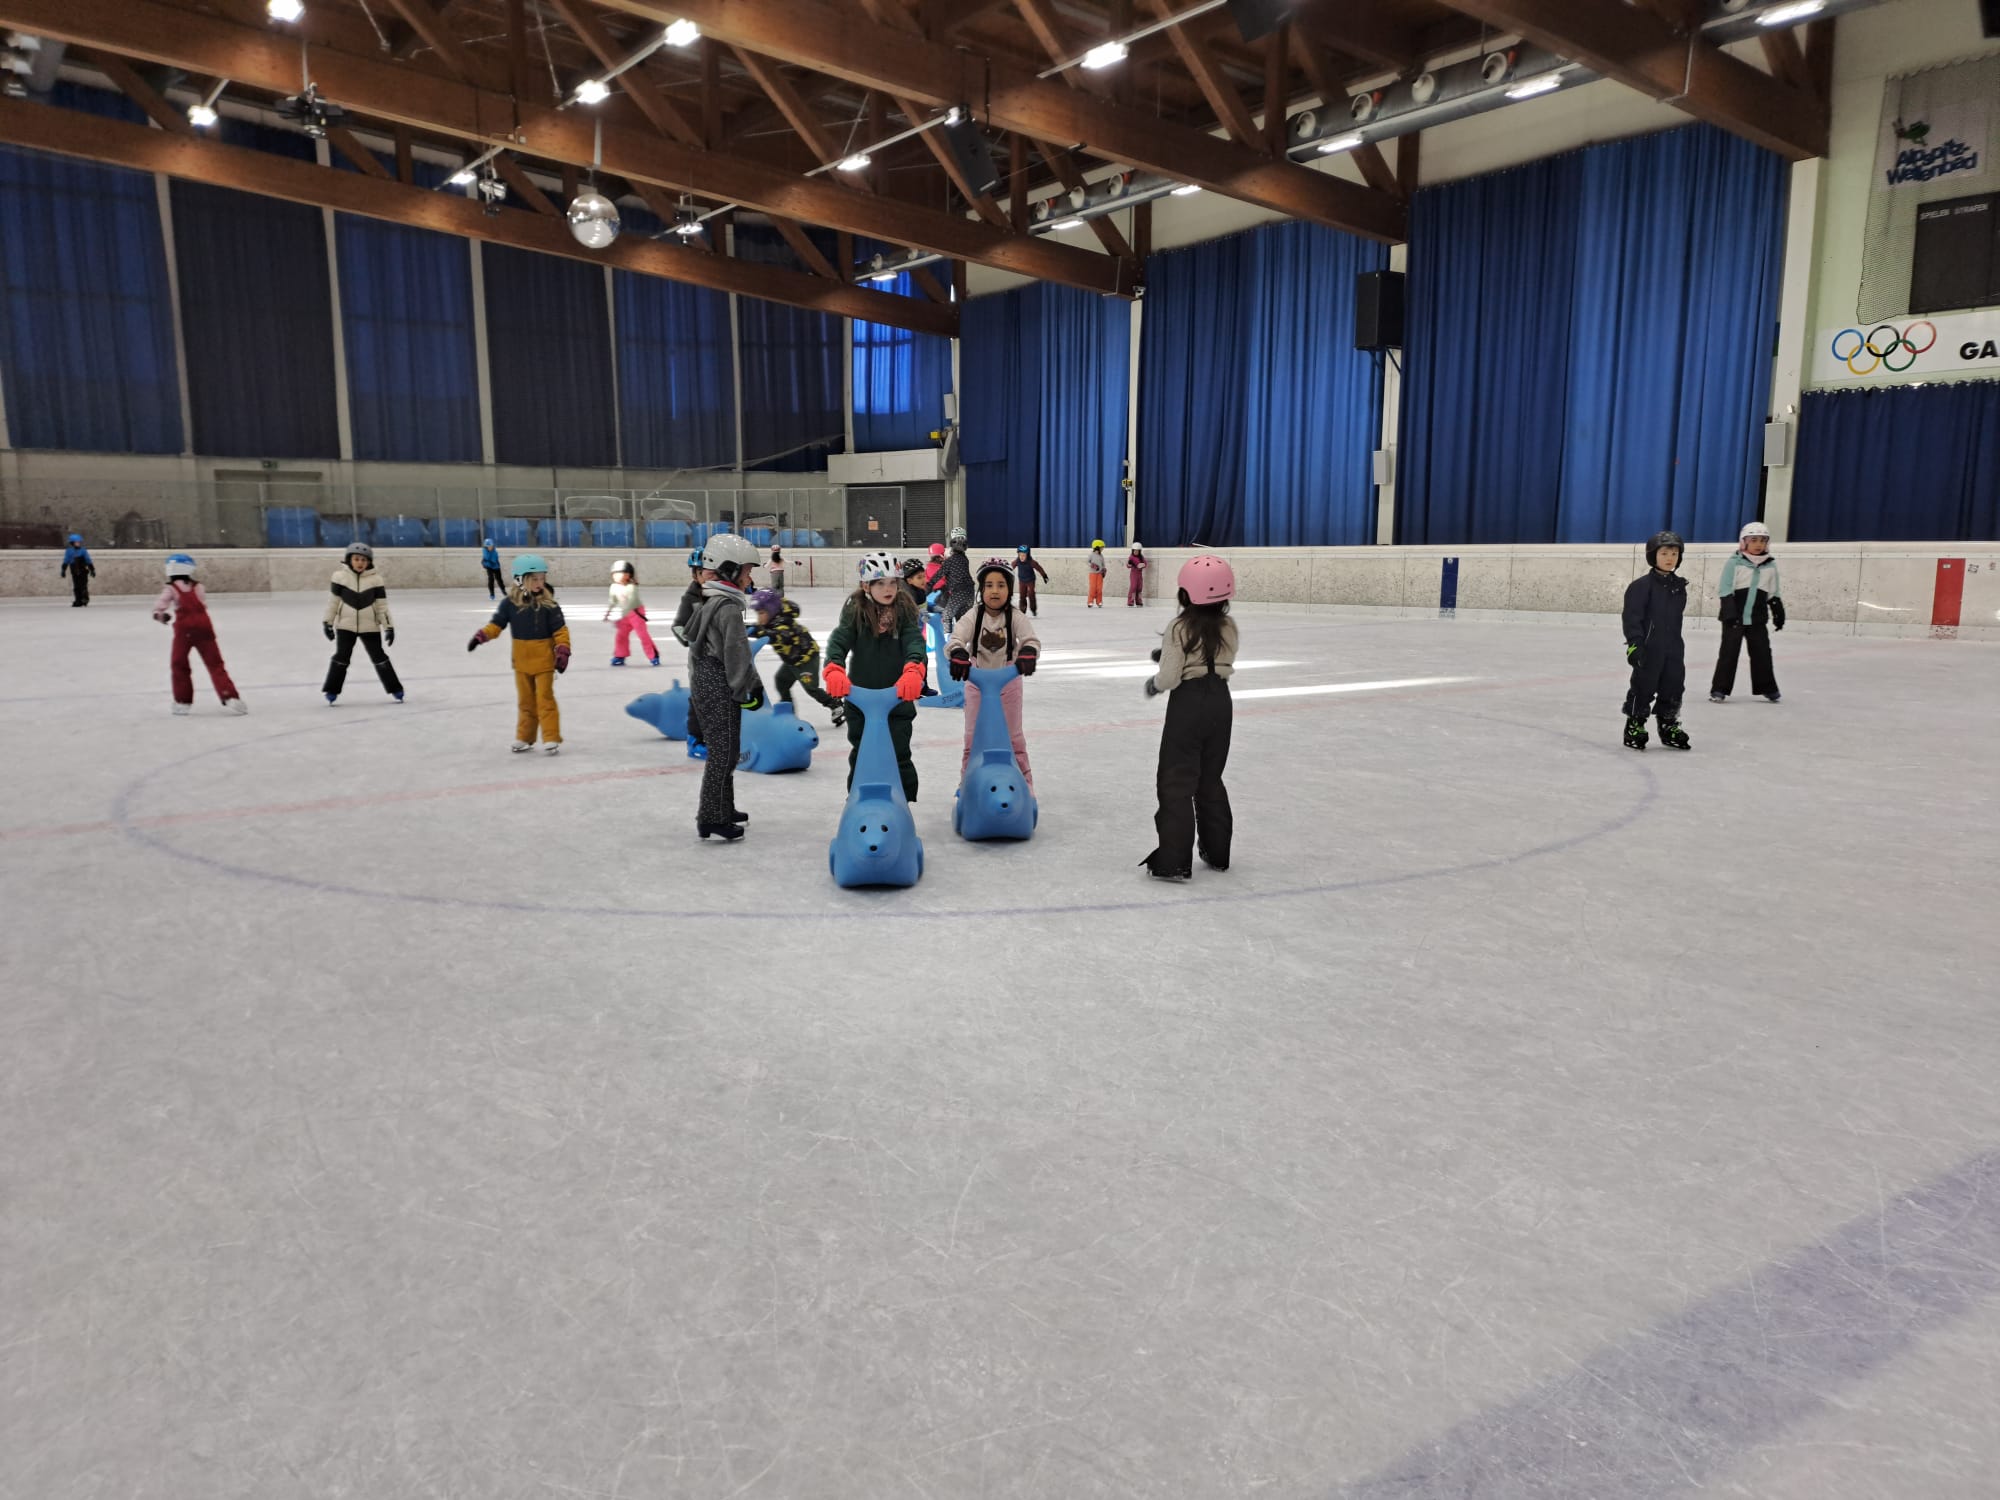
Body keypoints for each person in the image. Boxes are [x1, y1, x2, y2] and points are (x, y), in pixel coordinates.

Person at [1140, 555, 1237, 880]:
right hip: (1220, 702)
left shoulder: (1179, 627)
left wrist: (1155, 683)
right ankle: (1217, 852)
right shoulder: (1229, 626)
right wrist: (1168, 654)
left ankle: (1174, 860)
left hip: (1189, 704)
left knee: (1176, 781)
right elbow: (1211, 655)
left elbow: (1170, 677)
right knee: (1210, 779)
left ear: (1186, 593)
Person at [823, 551, 928, 804]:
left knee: (899, 752)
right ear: (865, 586)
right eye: (880, 583)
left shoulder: (904, 610)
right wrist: (834, 667)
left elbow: (914, 640)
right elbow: (840, 638)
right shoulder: (856, 610)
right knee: (862, 751)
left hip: (897, 697)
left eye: (892, 582)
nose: (888, 589)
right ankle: (857, 800)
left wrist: (914, 668)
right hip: (861, 698)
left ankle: (904, 803)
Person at [685, 533, 765, 841]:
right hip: (719, 681)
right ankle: (711, 817)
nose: (750, 577)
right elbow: (736, 654)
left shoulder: (712, 599)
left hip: (705, 680)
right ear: (729, 570)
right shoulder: (728, 607)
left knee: (724, 748)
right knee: (724, 752)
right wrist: (750, 687)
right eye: (746, 571)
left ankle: (724, 807)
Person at [948, 559, 1041, 791]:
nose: (995, 591)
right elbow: (956, 638)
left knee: (1013, 736)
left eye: (1001, 585)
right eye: (989, 585)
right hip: (977, 682)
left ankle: (1025, 784)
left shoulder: (1015, 616)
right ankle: (967, 784)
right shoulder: (974, 615)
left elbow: (1030, 639)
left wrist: (1028, 652)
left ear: (1010, 589)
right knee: (972, 736)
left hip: (1008, 681)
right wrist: (958, 652)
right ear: (981, 589)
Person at [468, 553, 571, 754]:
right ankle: (525, 737)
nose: (540, 583)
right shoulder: (509, 604)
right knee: (525, 702)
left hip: (544, 661)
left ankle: (551, 737)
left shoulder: (550, 605)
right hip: (521, 662)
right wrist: (481, 636)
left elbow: (560, 631)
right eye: (534, 579)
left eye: (542, 578)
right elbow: (497, 625)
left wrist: (563, 650)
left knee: (545, 699)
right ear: (520, 580)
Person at [152, 554, 246, 716]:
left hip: (185, 631)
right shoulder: (199, 587)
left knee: (179, 664)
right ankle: (230, 696)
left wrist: (160, 615)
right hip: (204, 628)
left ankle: (182, 701)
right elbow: (201, 604)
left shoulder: (171, 589)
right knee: (215, 664)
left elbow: (160, 606)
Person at [1622, 531, 1691, 751]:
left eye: (1674, 553)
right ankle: (1635, 724)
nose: (1670, 558)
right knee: (1644, 685)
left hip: (1673, 647)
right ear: (1653, 556)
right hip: (1649, 648)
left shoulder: (1678, 586)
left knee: (1674, 685)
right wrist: (1635, 644)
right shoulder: (1641, 586)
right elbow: (1632, 618)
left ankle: (1668, 723)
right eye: (1664, 553)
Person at [1711, 521, 1784, 704]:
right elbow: (1725, 589)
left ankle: (1768, 688)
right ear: (1744, 542)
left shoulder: (1770, 566)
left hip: (1757, 618)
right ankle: (1719, 689)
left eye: (1762, 540)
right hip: (1734, 617)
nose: (1758, 544)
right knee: (1729, 653)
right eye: (1754, 540)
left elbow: (1773, 592)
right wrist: (1730, 614)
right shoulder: (1734, 563)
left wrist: (1778, 612)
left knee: (1762, 653)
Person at [322, 543, 405, 705]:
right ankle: (332, 690)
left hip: (370, 627)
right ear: (349, 560)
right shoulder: (340, 577)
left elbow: (382, 606)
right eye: (356, 559)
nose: (360, 563)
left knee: (379, 657)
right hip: (345, 626)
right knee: (341, 657)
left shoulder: (376, 580)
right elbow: (333, 602)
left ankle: (395, 689)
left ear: (369, 562)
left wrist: (389, 627)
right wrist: (328, 623)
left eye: (364, 560)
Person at [750, 587, 844, 727]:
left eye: (762, 613)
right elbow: (764, 630)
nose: (759, 618)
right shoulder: (772, 620)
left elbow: (778, 635)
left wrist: (759, 632)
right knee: (781, 680)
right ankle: (788, 712)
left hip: (806, 659)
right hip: (792, 660)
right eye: (758, 613)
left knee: (811, 688)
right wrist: (746, 627)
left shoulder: (784, 623)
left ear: (772, 610)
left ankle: (835, 704)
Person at [604, 558, 660, 667]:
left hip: (636, 613)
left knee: (642, 635)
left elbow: (632, 602)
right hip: (625, 615)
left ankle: (653, 656)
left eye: (619, 573)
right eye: (614, 573)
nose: (615, 575)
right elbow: (613, 600)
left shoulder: (631, 587)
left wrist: (621, 618)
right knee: (621, 635)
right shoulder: (613, 587)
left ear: (628, 575)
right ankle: (620, 655)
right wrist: (608, 612)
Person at [940, 527, 976, 623]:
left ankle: (951, 632)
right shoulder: (963, 556)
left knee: (947, 617)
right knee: (963, 618)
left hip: (958, 591)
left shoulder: (950, 554)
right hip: (968, 591)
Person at [1013, 545, 1050, 616]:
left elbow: (1039, 568)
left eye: (1023, 555)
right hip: (1022, 580)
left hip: (1030, 580)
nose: (1021, 557)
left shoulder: (1031, 562)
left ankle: (1033, 609)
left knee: (1031, 594)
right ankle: (1022, 611)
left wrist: (1044, 576)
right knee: (1022, 595)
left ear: (1028, 555)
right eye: (1020, 555)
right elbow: (1011, 567)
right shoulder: (1017, 561)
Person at [60, 533, 95, 606]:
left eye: (79, 542)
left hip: (83, 570)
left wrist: (92, 569)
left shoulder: (83, 550)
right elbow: (66, 560)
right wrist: (63, 570)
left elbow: (88, 560)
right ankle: (78, 600)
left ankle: (85, 598)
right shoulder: (69, 551)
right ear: (72, 543)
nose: (78, 543)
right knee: (76, 586)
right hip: (74, 570)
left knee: (83, 585)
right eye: (76, 542)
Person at [1086, 539, 1107, 608]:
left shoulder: (1101, 555)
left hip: (1099, 574)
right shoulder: (1091, 555)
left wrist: (1104, 569)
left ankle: (1099, 601)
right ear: (1097, 547)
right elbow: (1087, 562)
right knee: (1092, 587)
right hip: (1093, 574)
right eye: (1102, 547)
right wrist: (1092, 565)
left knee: (1099, 588)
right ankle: (1090, 601)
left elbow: (1103, 564)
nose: (1103, 549)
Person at [1126, 542, 1149, 606]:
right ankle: (1131, 601)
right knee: (1133, 587)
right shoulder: (1131, 557)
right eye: (1135, 550)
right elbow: (1128, 565)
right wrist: (1131, 564)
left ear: (1140, 551)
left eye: (1137, 551)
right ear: (1132, 550)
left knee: (1139, 587)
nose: (1136, 552)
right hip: (1134, 574)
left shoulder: (1141, 557)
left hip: (1139, 574)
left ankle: (1139, 601)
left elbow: (1145, 564)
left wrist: (1141, 565)